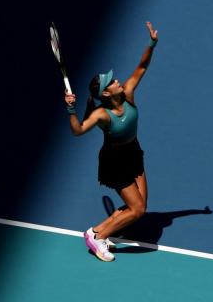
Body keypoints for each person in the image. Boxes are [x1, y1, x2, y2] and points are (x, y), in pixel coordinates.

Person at [64, 21, 158, 262]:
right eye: (112, 82)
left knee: (139, 206)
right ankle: (96, 235)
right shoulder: (101, 115)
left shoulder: (128, 92)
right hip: (115, 163)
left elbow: (142, 66)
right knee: (138, 210)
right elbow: (78, 130)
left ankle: (97, 232)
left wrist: (152, 43)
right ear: (106, 93)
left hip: (134, 153)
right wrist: (70, 109)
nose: (117, 81)